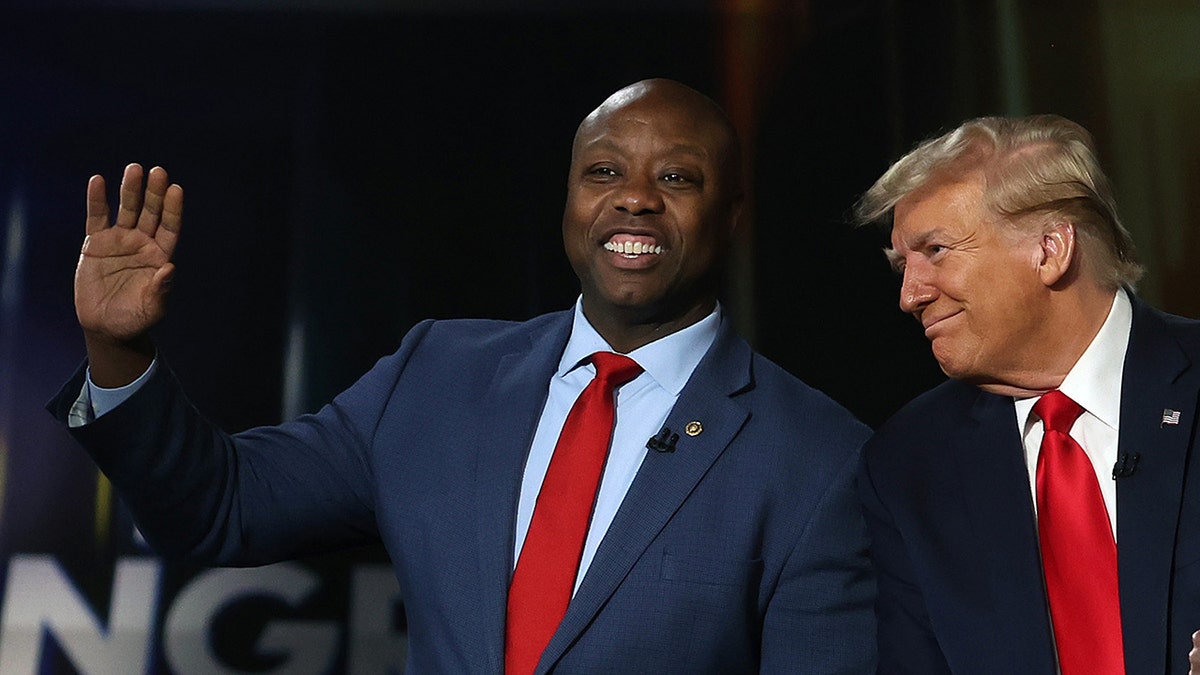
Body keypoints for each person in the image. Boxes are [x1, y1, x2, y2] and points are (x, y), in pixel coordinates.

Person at [49, 78, 876, 674]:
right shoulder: (437, 375)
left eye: (677, 177)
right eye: (603, 172)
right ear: (567, 200)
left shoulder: (819, 459)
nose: (635, 200)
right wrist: (119, 352)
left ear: (732, 214)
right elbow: (220, 508)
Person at [853, 113, 1200, 674]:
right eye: (902, 265)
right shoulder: (908, 464)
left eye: (935, 250)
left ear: (1050, 249)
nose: (909, 295)